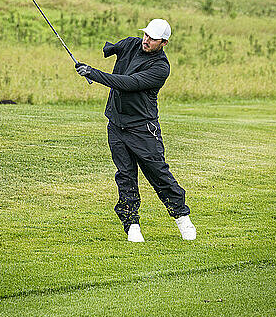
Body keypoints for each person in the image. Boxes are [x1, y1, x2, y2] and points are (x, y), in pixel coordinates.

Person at [75, 18, 196, 243]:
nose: (146, 41)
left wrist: (93, 73)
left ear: (164, 42)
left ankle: (182, 217)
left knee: (158, 173)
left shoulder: (161, 68)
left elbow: (128, 83)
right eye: (146, 35)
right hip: (116, 124)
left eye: (152, 39)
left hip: (143, 128)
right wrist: (108, 50)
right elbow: (113, 48)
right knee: (125, 176)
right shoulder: (132, 43)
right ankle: (132, 225)